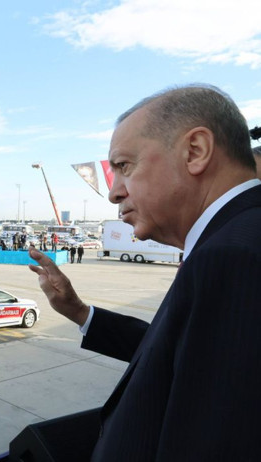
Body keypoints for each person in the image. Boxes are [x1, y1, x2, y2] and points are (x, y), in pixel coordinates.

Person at [28, 84, 261, 461]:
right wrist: (80, 313)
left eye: (124, 166)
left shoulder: (233, 257)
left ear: (195, 151)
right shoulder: (227, 243)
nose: (114, 193)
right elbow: (182, 358)